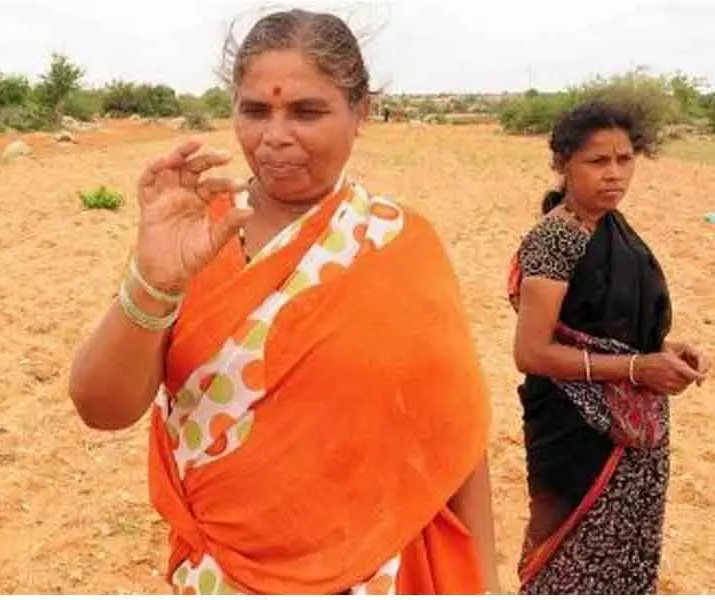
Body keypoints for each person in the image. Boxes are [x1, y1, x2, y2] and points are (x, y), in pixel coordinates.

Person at [69, 9, 498, 595]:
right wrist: (155, 277)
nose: (274, 136)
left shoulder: (400, 245)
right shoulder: (199, 236)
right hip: (223, 577)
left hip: (378, 576)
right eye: (254, 111)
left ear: (361, 113)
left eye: (307, 111)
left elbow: (455, 440)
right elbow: (101, 407)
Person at [508, 100, 710, 594]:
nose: (614, 174)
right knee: (570, 564)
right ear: (563, 163)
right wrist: (639, 368)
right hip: (577, 432)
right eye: (598, 162)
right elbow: (532, 352)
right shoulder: (557, 238)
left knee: (625, 559)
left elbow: (606, 324)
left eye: (625, 159)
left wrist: (667, 349)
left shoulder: (614, 228)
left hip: (632, 430)